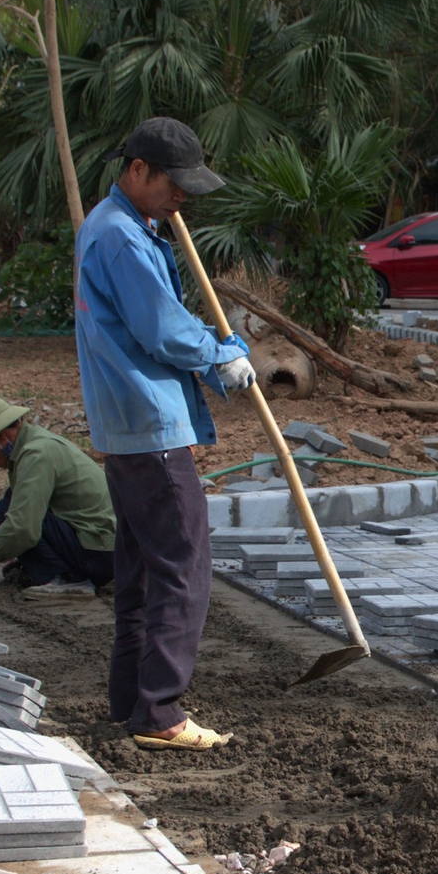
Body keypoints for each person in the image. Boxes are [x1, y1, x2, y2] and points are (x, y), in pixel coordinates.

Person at [75, 116, 256, 752]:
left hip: (128, 424)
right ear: (137, 171)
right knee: (184, 564)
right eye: (173, 184)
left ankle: (132, 698)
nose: (183, 198)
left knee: (144, 571)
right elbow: (160, 327)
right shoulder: (122, 238)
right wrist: (218, 355)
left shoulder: (122, 226)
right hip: (147, 422)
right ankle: (159, 712)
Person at [0, 396, 118, 597]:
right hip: (102, 546)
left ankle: (70, 580)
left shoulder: (36, 454)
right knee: (7, 506)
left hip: (100, 553)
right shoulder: (32, 445)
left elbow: (23, 528)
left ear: (0, 437)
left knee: (14, 515)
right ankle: (57, 567)